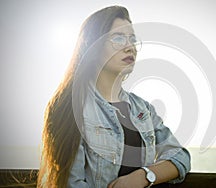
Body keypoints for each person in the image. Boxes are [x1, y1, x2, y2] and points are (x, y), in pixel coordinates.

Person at [37, 5, 191, 188]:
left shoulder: (143, 109)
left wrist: (144, 176)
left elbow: (180, 156)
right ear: (92, 45)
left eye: (132, 39)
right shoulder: (70, 105)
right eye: (118, 38)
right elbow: (70, 184)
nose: (129, 47)